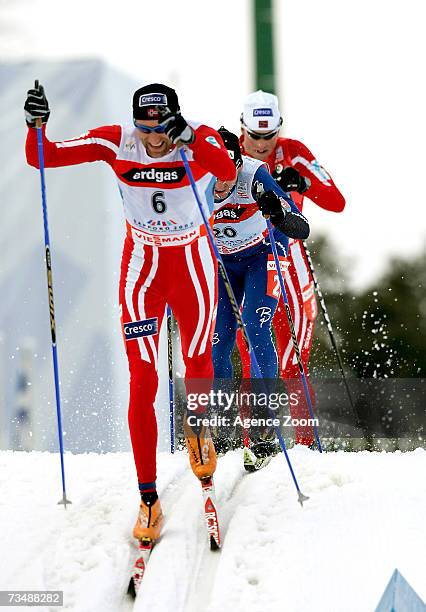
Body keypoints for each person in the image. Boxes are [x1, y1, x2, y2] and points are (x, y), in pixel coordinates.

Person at [24, 81, 236, 543]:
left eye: (160, 130)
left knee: (197, 362)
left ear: (174, 120)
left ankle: (198, 428)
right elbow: (43, 156)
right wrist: (36, 125)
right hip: (143, 266)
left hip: (192, 265)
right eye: (145, 129)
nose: (152, 140)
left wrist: (191, 139)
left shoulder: (200, 137)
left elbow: (225, 170)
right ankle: (147, 496)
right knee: (143, 377)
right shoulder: (117, 139)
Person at [237, 90, 346, 447]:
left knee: (294, 363)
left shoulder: (294, 151)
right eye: (254, 135)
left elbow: (336, 201)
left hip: (291, 261)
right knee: (252, 362)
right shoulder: (227, 152)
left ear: (279, 130)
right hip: (244, 259)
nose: (262, 145)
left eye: (269, 137)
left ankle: (307, 447)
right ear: (243, 128)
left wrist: (303, 182)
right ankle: (257, 446)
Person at [212, 127, 309, 460]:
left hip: (262, 255)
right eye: (215, 175)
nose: (223, 183)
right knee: (217, 340)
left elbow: (301, 226)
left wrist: (278, 210)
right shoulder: (194, 181)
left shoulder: (255, 174)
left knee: (256, 329)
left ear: (239, 160)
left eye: (229, 171)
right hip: (222, 263)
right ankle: (219, 425)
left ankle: (265, 426)